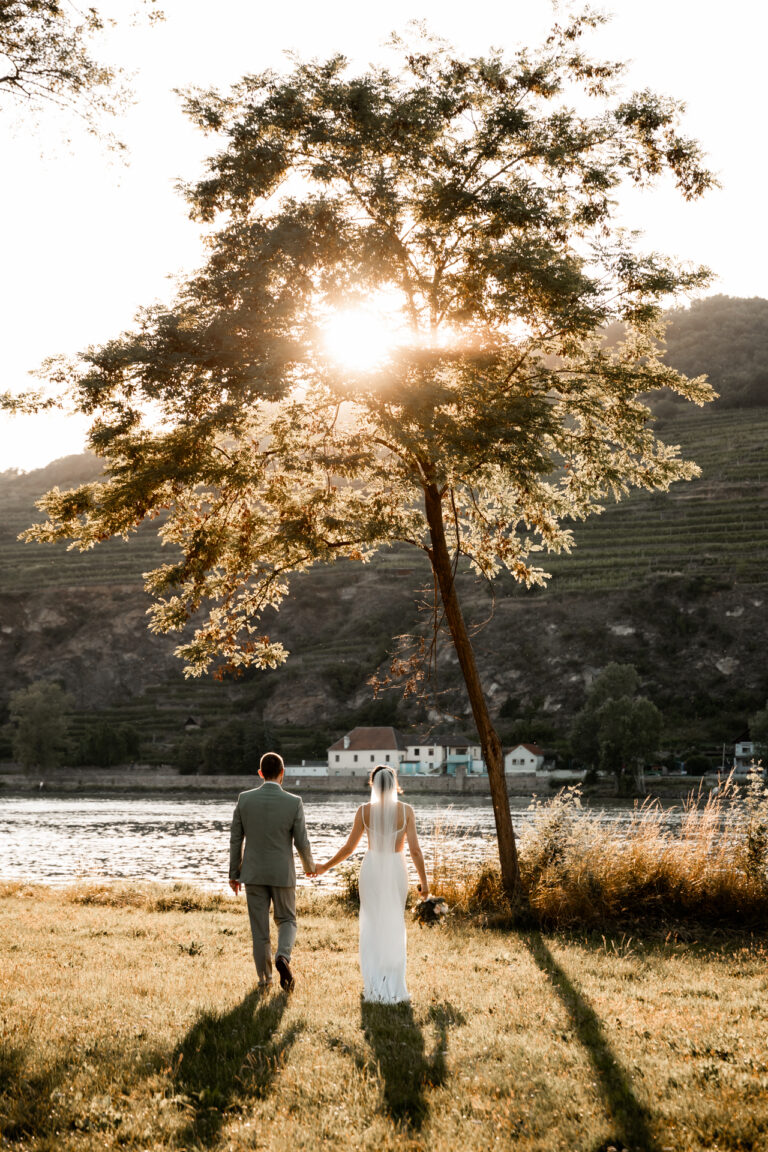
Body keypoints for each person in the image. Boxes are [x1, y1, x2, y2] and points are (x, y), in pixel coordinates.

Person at [314, 765, 429, 1003]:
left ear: (372, 785)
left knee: (372, 924)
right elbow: (415, 851)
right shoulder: (406, 811)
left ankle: (374, 982)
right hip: (396, 869)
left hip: (371, 870)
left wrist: (325, 866)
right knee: (394, 923)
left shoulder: (364, 811)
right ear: (395, 784)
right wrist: (424, 883)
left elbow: (349, 848)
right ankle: (394, 982)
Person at [229, 751, 315, 991]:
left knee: (259, 930)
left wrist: (234, 874)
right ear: (282, 773)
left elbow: (236, 840)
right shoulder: (294, 802)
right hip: (282, 873)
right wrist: (309, 867)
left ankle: (265, 979)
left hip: (253, 874)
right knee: (287, 919)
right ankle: (283, 956)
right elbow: (302, 842)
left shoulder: (244, 799)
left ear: (260, 773)